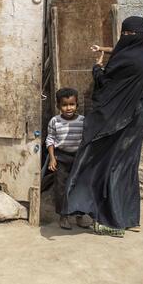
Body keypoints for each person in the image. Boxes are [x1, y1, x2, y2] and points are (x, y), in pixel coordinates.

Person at [63, 16, 143, 237]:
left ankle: (111, 219)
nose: (125, 38)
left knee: (108, 166)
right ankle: (128, 217)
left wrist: (97, 69)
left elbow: (106, 85)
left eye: (127, 34)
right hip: (136, 119)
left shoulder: (123, 62)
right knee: (126, 168)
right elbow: (123, 49)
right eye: (123, 34)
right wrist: (104, 48)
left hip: (115, 123)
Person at [45, 87, 89, 230]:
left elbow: (86, 140)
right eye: (64, 105)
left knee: (79, 186)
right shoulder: (55, 121)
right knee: (61, 188)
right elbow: (50, 140)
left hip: (78, 157)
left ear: (77, 105)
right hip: (61, 157)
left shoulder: (83, 121)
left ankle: (79, 216)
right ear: (58, 106)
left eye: (72, 104)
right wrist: (52, 159)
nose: (68, 108)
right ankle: (63, 216)